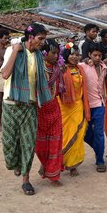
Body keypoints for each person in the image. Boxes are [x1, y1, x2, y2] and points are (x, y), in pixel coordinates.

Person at [0, 23, 53, 195]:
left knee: (28, 143)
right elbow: (5, 74)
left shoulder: (38, 56)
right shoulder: (13, 50)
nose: (42, 42)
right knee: (9, 144)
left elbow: (42, 80)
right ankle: (15, 164)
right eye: (40, 39)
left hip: (30, 105)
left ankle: (26, 180)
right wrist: (15, 51)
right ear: (30, 37)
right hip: (11, 104)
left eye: (44, 39)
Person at [58, 43, 90, 176]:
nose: (75, 57)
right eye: (72, 54)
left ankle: (72, 165)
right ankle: (59, 162)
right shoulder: (61, 69)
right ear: (66, 55)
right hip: (64, 107)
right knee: (64, 135)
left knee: (77, 136)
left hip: (77, 106)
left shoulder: (80, 69)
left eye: (77, 54)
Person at [36, 39, 64, 185]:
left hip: (54, 109)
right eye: (53, 53)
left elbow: (60, 91)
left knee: (55, 143)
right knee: (40, 146)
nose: (55, 56)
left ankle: (54, 175)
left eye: (57, 53)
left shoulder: (58, 69)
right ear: (45, 53)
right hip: (40, 110)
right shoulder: (37, 69)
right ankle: (45, 164)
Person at [80, 43, 107, 172]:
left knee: (99, 134)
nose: (97, 57)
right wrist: (84, 60)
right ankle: (98, 150)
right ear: (89, 55)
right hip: (85, 106)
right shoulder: (83, 66)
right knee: (85, 133)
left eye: (99, 55)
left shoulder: (104, 67)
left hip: (99, 105)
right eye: (94, 55)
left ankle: (100, 160)